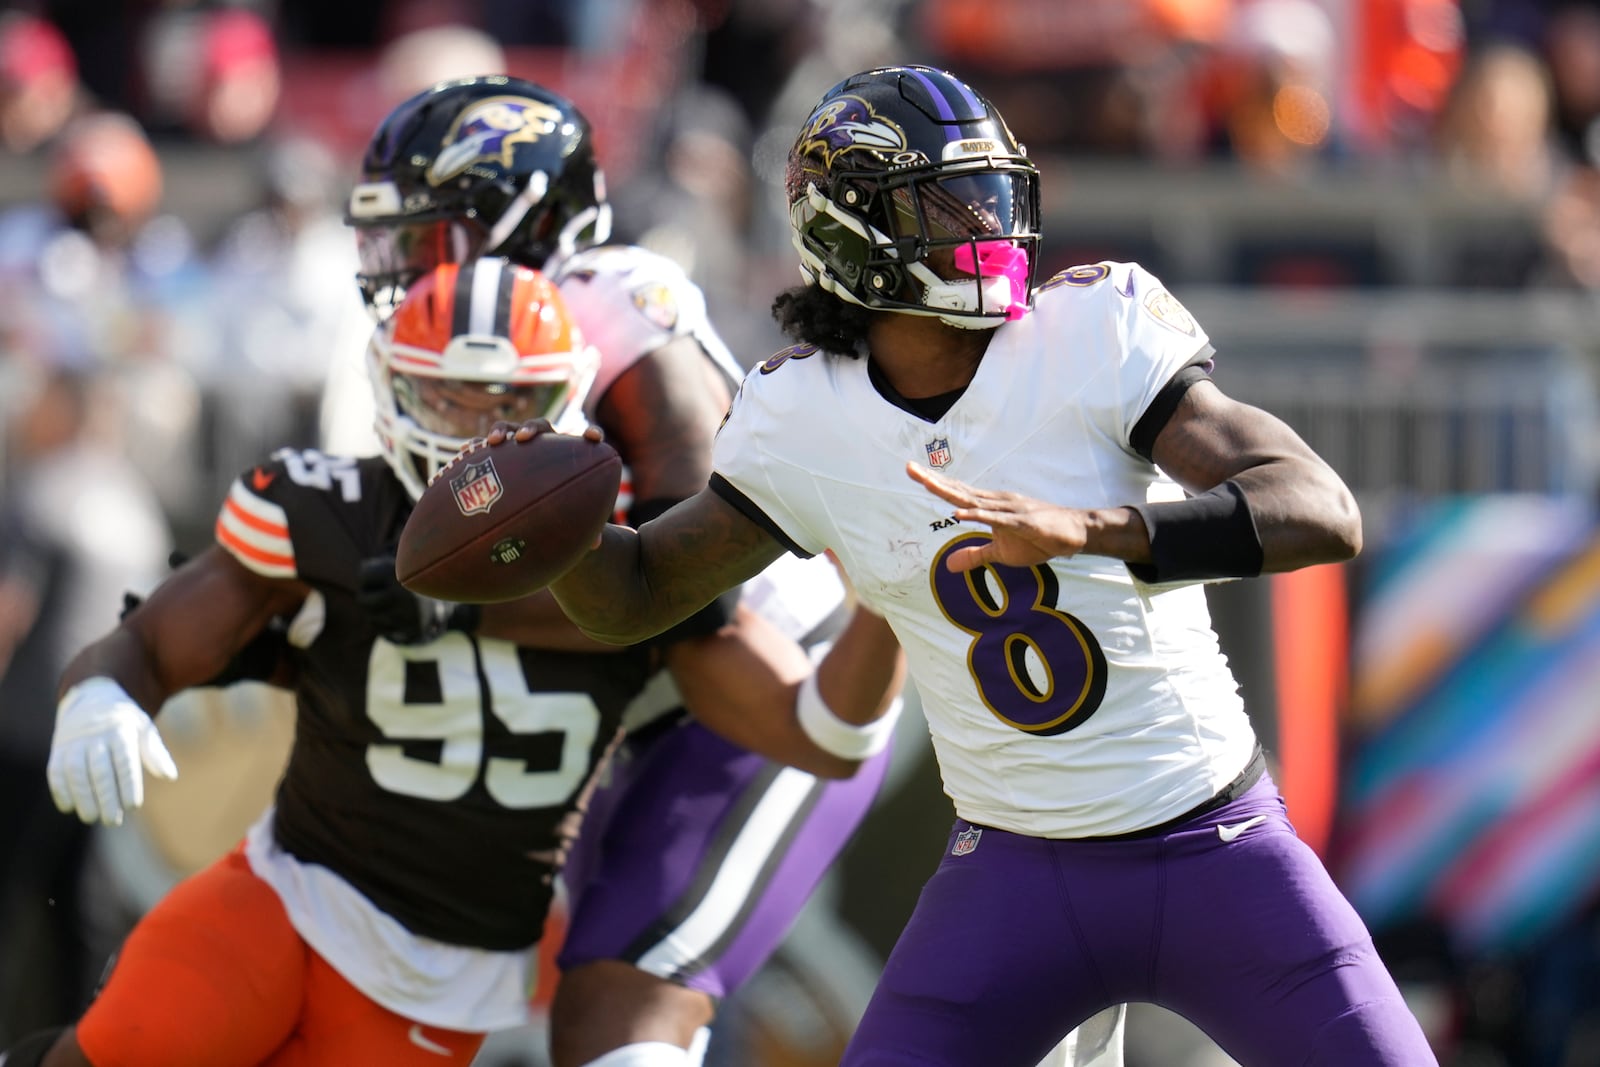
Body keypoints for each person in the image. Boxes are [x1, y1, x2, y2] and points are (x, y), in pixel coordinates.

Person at [489, 64, 1439, 1066]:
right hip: (1014, 873)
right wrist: (541, 524)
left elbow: (1318, 510)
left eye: (988, 190)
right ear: (846, 233)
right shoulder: (803, 417)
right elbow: (635, 592)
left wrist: (1098, 531)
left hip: (1211, 843)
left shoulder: (1090, 329)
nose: (983, 221)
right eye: (943, 201)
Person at [333, 75, 1126, 1067]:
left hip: (756, 673)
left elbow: (677, 562)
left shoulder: (606, 300)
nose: (400, 272)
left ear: (521, 220)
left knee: (619, 1004)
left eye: (426, 239)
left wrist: (468, 604)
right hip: (646, 695)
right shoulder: (434, 348)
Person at [6, 260, 905, 1067]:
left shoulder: (632, 567)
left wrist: (894, 597)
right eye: (448, 398)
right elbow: (152, 640)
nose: (475, 436)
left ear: (570, 399)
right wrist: (105, 693)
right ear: (390, 389)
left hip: (446, 973)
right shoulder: (331, 512)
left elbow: (822, 733)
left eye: (510, 404)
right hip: (290, 894)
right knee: (125, 1050)